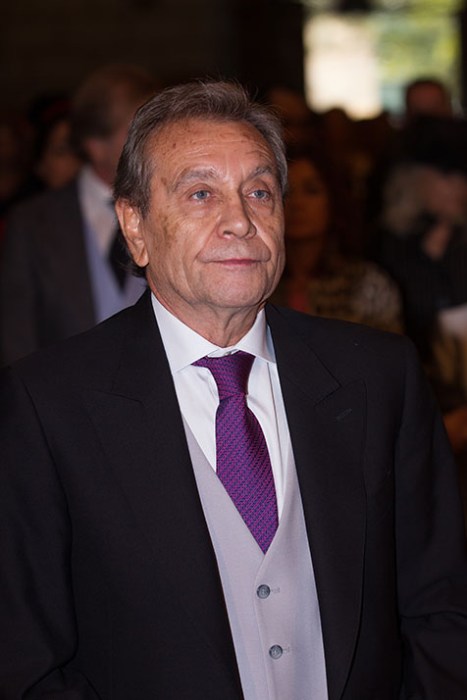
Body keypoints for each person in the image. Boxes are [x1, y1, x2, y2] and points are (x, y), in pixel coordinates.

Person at [1, 80, 467, 700]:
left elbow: (441, 606)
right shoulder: (47, 405)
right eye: (201, 194)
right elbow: (26, 660)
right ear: (135, 226)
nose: (240, 221)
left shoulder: (380, 376)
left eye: (259, 192)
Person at [0, 63, 157, 366]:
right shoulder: (32, 222)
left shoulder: (171, 207)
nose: (151, 143)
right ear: (96, 145)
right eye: (136, 132)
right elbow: (17, 339)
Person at [272, 148, 402, 334]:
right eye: (287, 192)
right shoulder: (260, 282)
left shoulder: (366, 285)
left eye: (311, 191)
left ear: (333, 200)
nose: (297, 204)